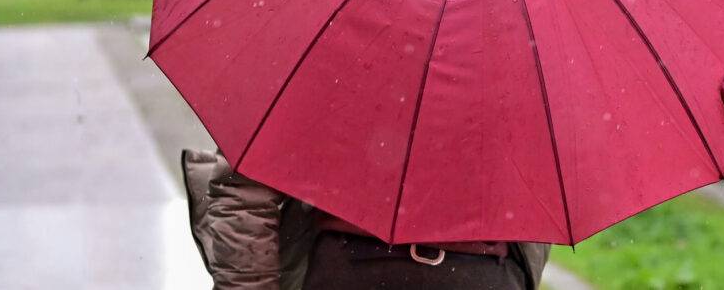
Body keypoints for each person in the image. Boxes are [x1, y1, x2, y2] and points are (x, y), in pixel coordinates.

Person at [182, 150, 548, 290]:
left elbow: (245, 190)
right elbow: (548, 193)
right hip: (483, 272)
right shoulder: (526, 45)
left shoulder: (325, 29)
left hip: (347, 265)